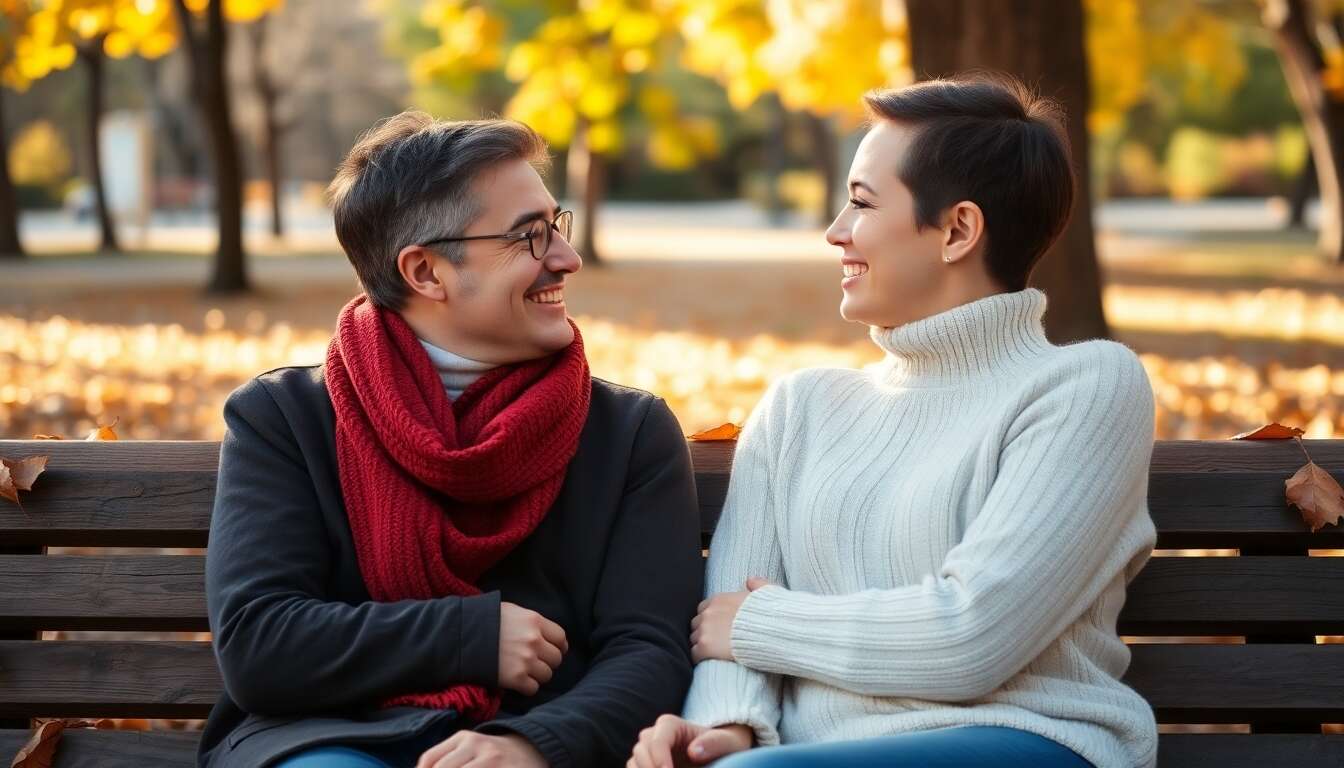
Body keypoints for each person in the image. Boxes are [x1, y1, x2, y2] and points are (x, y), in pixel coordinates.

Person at [629, 74, 1159, 768]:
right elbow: (726, 631)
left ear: (957, 230)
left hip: (1026, 744)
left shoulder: (1083, 390)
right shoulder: (800, 409)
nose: (835, 232)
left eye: (860, 203)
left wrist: (764, 622)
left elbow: (971, 637)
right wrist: (726, 730)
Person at [197, 112, 704, 768]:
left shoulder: (628, 433)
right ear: (427, 273)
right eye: (530, 237)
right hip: (326, 741)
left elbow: (649, 653)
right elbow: (260, 641)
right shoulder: (284, 419)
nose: (566, 258)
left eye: (558, 225)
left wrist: (532, 745)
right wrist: (468, 636)